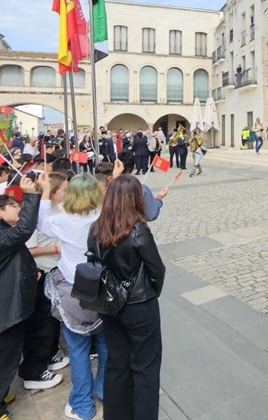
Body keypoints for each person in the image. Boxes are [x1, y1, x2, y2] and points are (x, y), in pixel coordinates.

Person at [0, 186, 63, 420]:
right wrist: (32, 195)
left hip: (4, 305)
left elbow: (12, 261)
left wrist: (30, 272)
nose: (18, 208)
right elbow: (24, 230)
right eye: (13, 205)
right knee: (0, 360)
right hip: (3, 309)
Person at [90, 175, 166, 419]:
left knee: (117, 363)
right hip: (139, 305)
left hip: (109, 302)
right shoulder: (137, 230)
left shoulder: (96, 228)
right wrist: (152, 293)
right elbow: (157, 269)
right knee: (145, 367)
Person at [35, 174, 108, 420]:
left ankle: (83, 404)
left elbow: (40, 221)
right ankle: (105, 390)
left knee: (78, 349)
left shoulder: (62, 220)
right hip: (103, 288)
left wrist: (45, 191)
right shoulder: (104, 216)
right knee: (106, 344)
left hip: (73, 290)